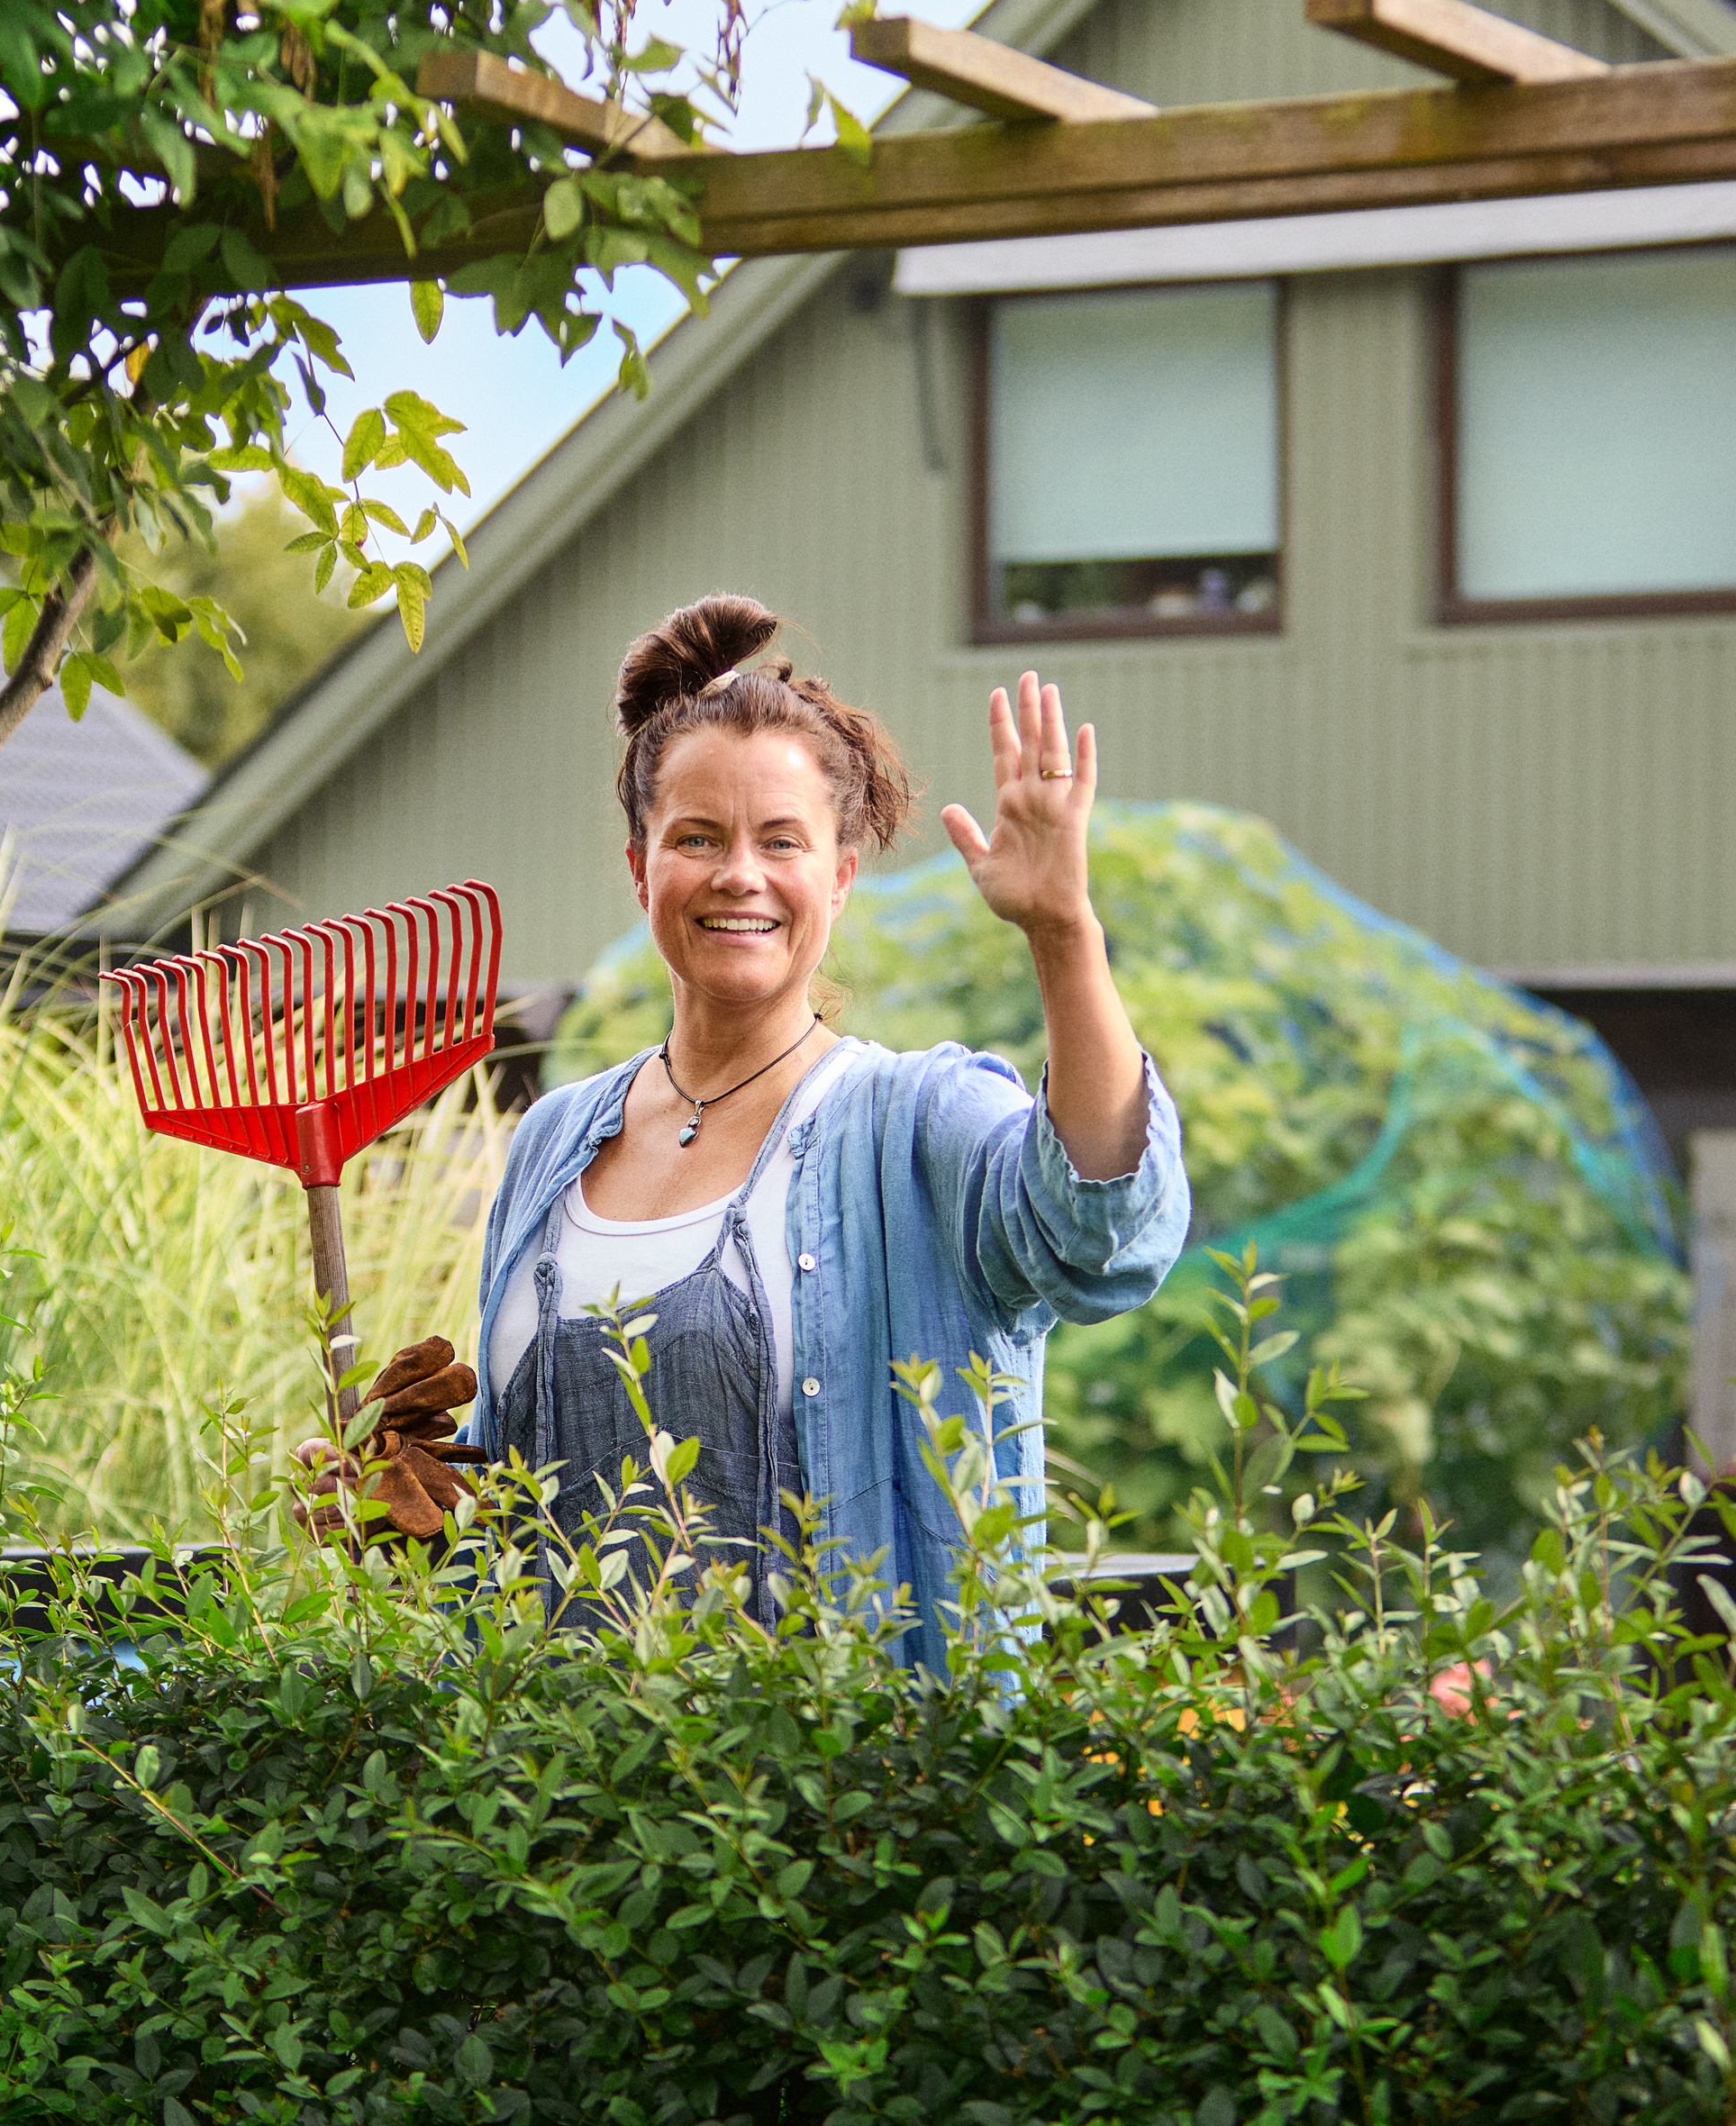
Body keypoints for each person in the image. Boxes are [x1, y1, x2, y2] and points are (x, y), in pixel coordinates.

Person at [456, 593, 1190, 1675]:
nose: (737, 875)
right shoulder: (555, 1139)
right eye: (695, 837)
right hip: (553, 1811)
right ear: (639, 868)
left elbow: (1102, 1234)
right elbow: (515, 1489)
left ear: (839, 877)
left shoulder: (913, 1125)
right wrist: (410, 1507)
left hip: (842, 1806)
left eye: (781, 841)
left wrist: (1061, 933)